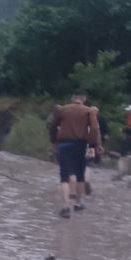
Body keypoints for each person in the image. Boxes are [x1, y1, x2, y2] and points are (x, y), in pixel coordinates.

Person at [49, 90, 102, 219]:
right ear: (84, 99)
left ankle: (66, 207)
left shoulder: (63, 110)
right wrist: (93, 144)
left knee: (64, 176)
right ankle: (78, 204)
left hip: (64, 144)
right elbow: (94, 129)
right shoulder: (89, 111)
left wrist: (53, 141)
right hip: (80, 144)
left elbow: (53, 126)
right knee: (80, 175)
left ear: (72, 98)